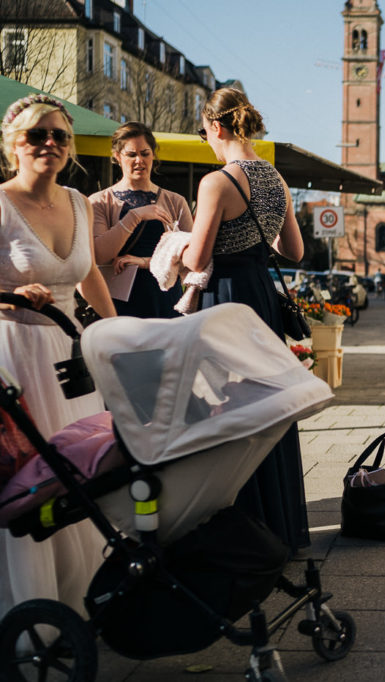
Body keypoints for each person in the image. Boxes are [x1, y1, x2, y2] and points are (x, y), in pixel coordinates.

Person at [0, 94, 117, 620]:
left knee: (77, 479)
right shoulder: (0, 203)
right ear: (13, 145)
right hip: (13, 357)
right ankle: (29, 608)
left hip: (70, 361)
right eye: (36, 135)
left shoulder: (78, 201)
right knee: (27, 481)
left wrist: (117, 334)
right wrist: (11, 296)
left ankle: (80, 601)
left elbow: (89, 270)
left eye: (59, 136)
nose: (49, 144)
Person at [180, 88, 309, 556]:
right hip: (263, 300)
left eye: (204, 132)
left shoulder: (217, 183)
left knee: (226, 407)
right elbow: (294, 252)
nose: (207, 142)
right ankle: (283, 524)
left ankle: (242, 530)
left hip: (226, 300)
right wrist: (257, 234)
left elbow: (197, 256)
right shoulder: (277, 179)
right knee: (267, 406)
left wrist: (175, 244)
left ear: (216, 127)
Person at [90, 121, 193, 318]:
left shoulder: (176, 202)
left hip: (164, 301)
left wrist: (144, 262)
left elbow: (191, 258)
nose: (139, 160)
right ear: (117, 156)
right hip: (118, 305)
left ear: (153, 154)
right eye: (131, 154)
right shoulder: (99, 201)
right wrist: (135, 216)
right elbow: (99, 255)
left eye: (145, 153)